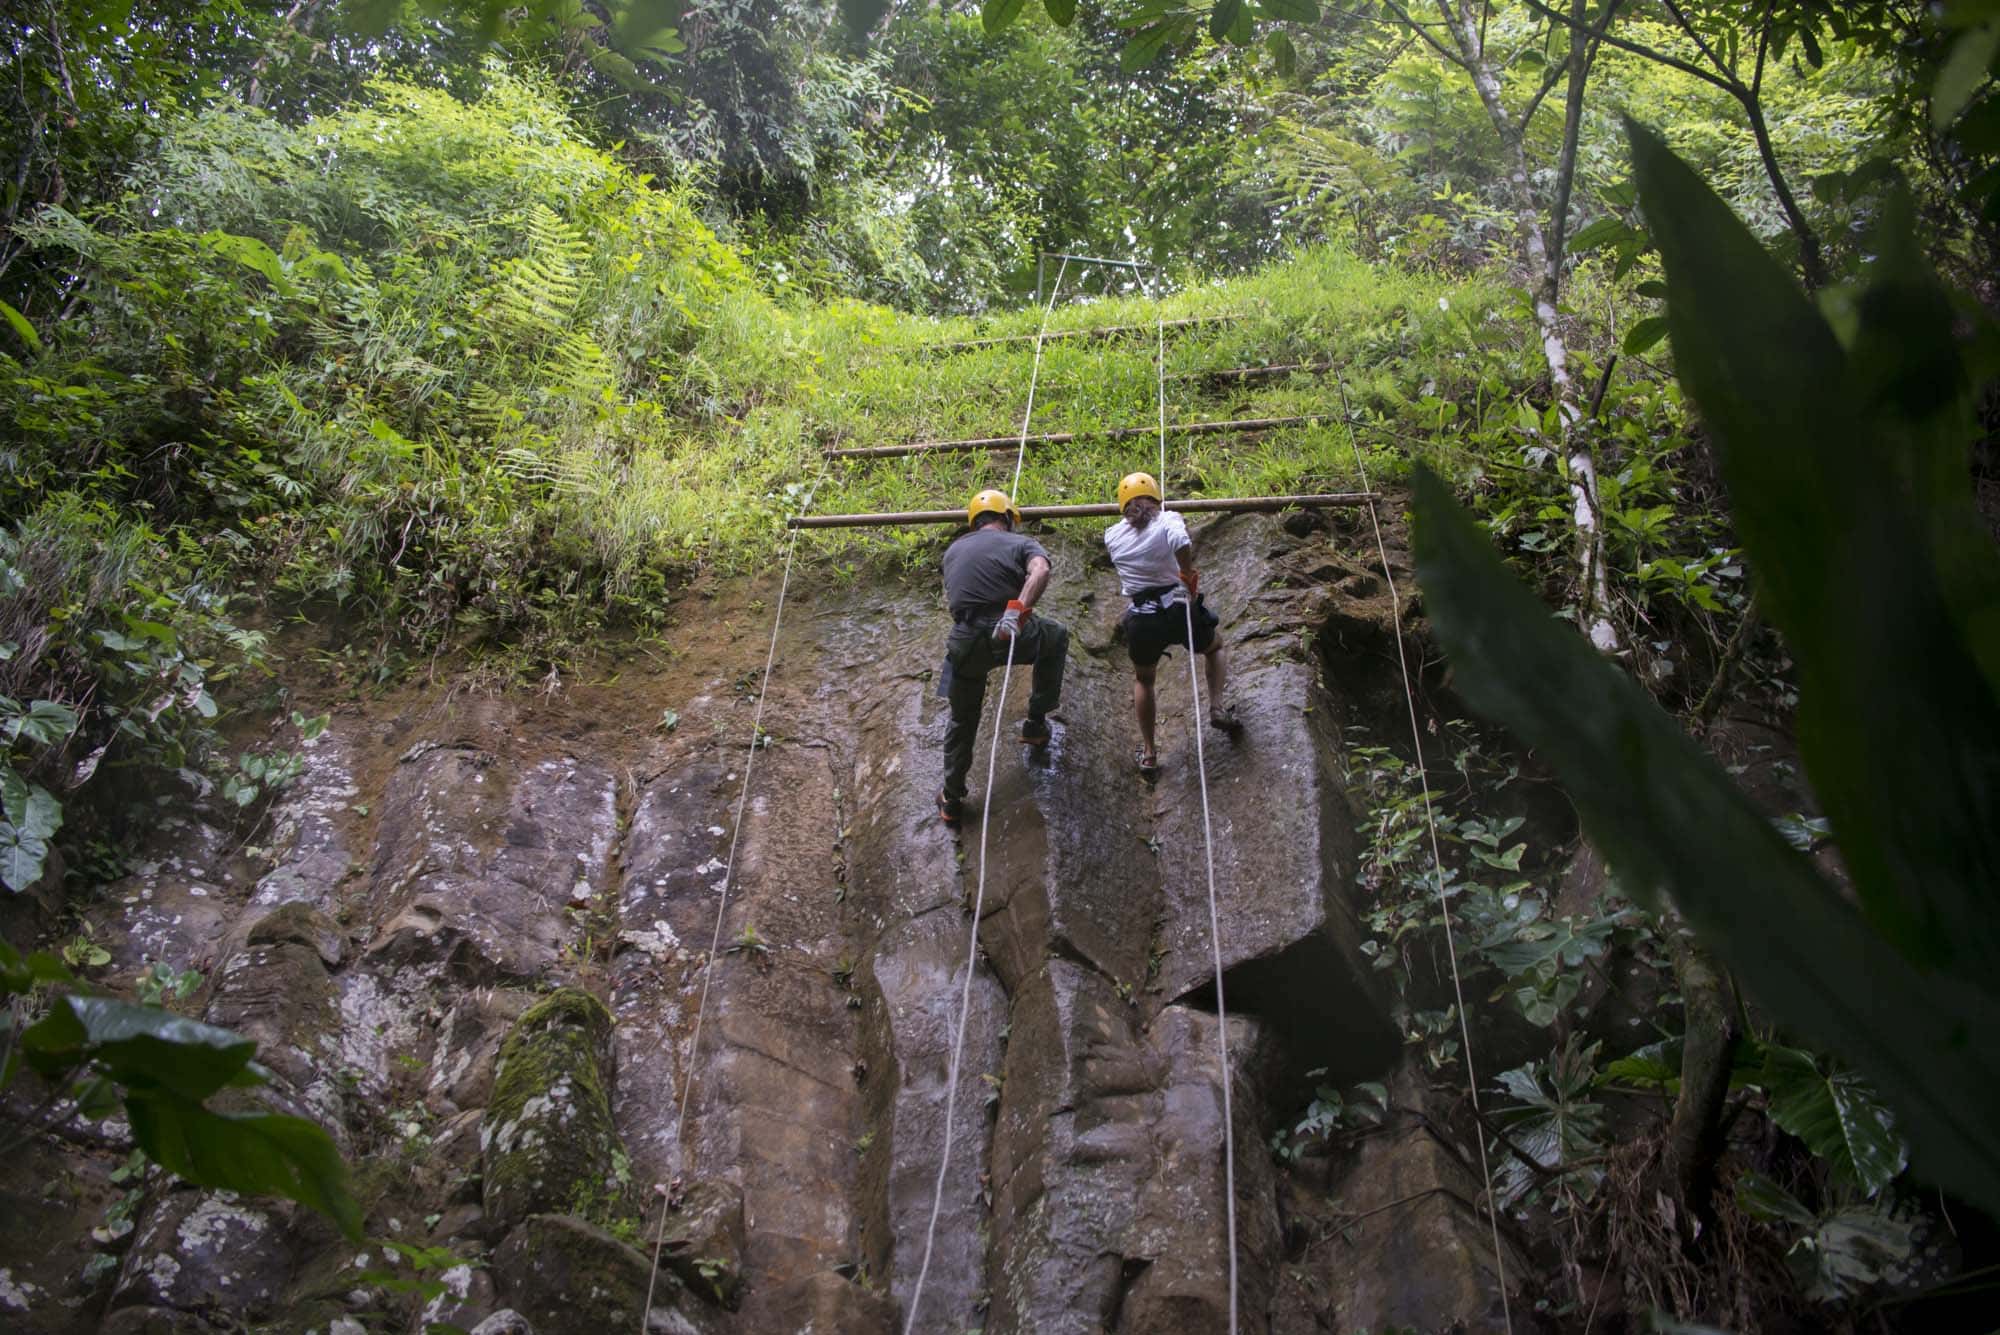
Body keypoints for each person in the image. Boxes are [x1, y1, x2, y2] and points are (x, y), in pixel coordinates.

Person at [935, 488, 1070, 827]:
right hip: (1010, 630)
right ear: (1007, 518)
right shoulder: (1020, 544)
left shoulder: (952, 551)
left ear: (974, 523)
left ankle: (951, 797)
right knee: (1055, 638)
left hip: (965, 641)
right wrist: (1018, 610)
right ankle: (1036, 722)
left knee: (962, 720)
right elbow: (1039, 571)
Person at [1103, 472, 1237, 775]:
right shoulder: (1167, 518)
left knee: (1144, 679)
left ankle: (1149, 752)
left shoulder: (1112, 535)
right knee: (1214, 646)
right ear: (1156, 498)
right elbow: (1179, 540)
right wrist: (1187, 574)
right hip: (1177, 607)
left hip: (1141, 617)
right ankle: (1217, 707)